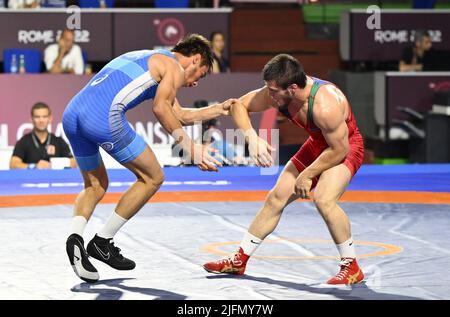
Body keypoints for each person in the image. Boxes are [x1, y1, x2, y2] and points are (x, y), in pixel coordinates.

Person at [63, 34, 230, 283]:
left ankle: (75, 237)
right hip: (102, 119)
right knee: (153, 177)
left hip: (72, 114)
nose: (195, 83)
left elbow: (179, 114)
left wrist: (217, 109)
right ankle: (102, 242)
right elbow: (161, 109)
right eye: (201, 74)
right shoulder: (173, 66)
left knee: (95, 185)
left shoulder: (149, 56)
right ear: (195, 59)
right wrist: (190, 147)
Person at [203, 54, 365, 285]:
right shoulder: (280, 93)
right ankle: (239, 260)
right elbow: (238, 105)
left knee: (323, 199)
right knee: (276, 197)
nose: (268, 95)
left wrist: (307, 174)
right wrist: (253, 139)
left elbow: (339, 149)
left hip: (345, 146)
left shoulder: (325, 106)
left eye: (272, 91)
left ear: (292, 88)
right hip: (318, 143)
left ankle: (351, 266)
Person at [10, 102, 76, 169]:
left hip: (55, 179)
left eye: (44, 117)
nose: (41, 120)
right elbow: (13, 164)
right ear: (31, 119)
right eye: (37, 117)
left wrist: (53, 165)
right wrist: (34, 166)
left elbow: (74, 163)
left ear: (50, 119)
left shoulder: (59, 141)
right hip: (31, 179)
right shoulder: (23, 141)